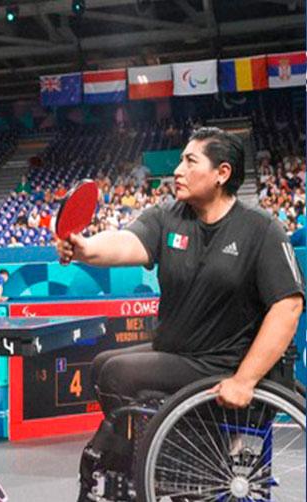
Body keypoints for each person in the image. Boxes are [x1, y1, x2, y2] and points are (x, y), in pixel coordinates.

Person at [59, 128, 305, 499]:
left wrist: (244, 380)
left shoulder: (260, 230)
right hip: (180, 355)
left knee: (117, 373)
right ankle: (143, 462)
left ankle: (146, 468)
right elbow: (127, 242)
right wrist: (85, 248)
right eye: (180, 161)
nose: (177, 170)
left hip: (225, 363)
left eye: (190, 161)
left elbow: (288, 305)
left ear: (222, 173)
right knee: (101, 364)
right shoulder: (168, 216)